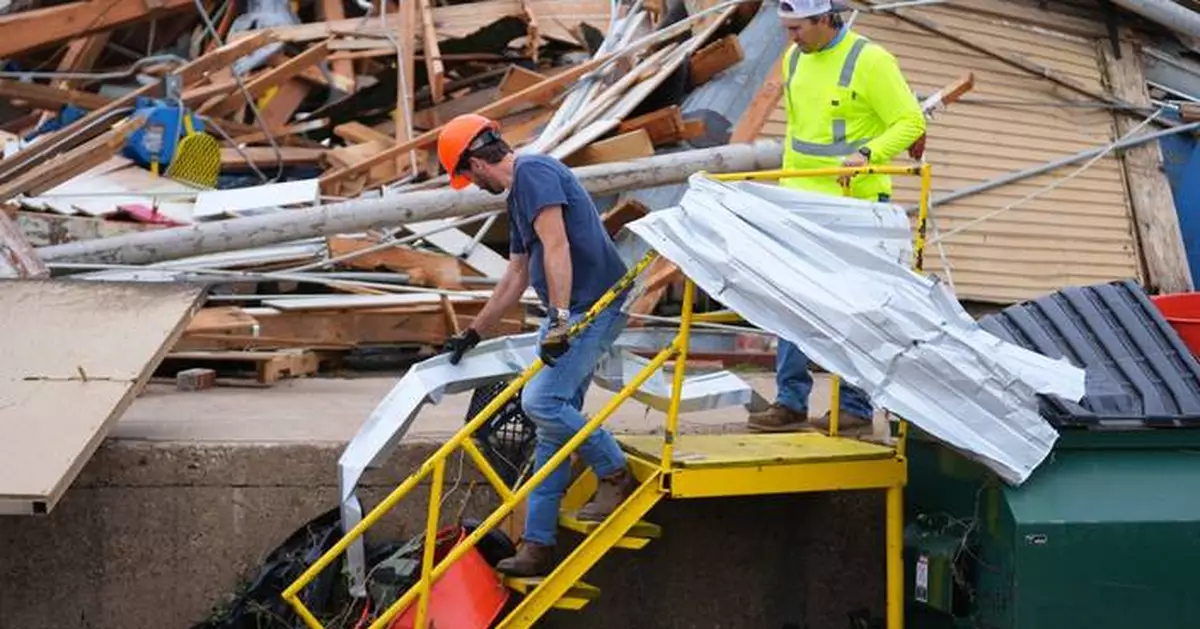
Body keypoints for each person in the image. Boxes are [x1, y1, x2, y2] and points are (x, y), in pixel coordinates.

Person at [438, 114, 636, 577]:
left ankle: (614, 472)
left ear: (474, 161)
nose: (470, 183)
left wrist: (562, 321)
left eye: (465, 174)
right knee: (552, 428)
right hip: (571, 311)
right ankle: (538, 544)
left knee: (542, 401)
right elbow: (517, 275)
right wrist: (474, 332)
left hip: (595, 306)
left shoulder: (537, 173)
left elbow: (558, 245)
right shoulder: (519, 194)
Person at [748, 0, 926, 435]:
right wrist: (784, 194)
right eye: (786, 28)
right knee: (790, 301)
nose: (790, 38)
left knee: (853, 308)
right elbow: (798, 134)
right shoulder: (795, 58)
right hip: (801, 203)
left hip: (856, 206)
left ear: (825, 19)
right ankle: (790, 402)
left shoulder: (871, 60)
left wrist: (869, 155)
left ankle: (854, 408)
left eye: (797, 28)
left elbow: (910, 121)